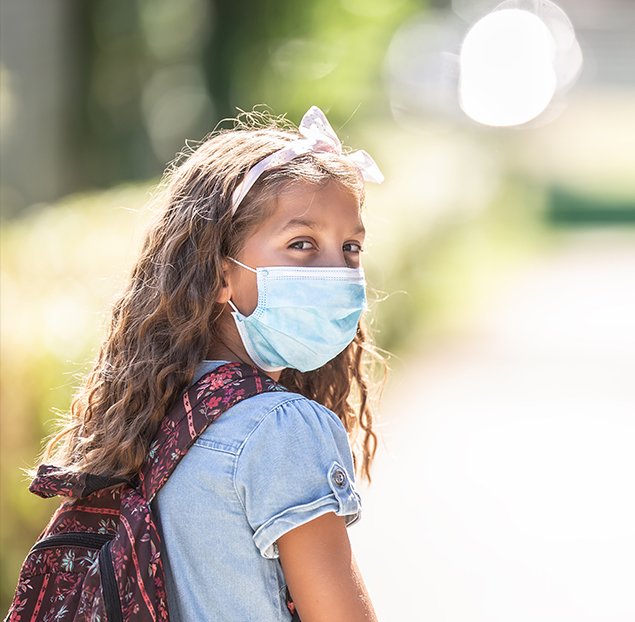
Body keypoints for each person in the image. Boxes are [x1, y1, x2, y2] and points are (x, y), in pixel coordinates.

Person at [38, 106, 386, 621]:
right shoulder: (282, 429)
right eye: (302, 244)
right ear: (221, 275)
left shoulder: (156, 414)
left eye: (351, 247)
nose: (337, 271)